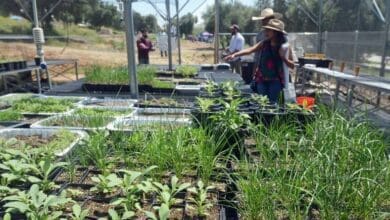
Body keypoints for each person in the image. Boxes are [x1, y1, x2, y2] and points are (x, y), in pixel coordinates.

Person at [225, 19, 294, 104]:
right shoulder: (264, 43)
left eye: (268, 30)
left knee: (273, 105)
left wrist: (284, 58)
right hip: (262, 80)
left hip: (275, 82)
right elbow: (250, 49)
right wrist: (235, 55)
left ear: (276, 32)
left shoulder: (285, 47)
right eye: (266, 29)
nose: (265, 32)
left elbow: (293, 65)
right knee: (262, 104)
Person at [252, 8, 283, 77]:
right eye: (262, 20)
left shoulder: (280, 35)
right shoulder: (259, 36)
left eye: (264, 19)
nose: (262, 21)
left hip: (279, 71)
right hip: (264, 71)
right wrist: (254, 72)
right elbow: (257, 56)